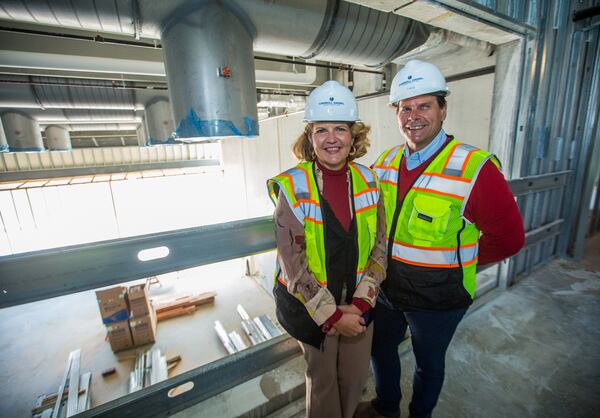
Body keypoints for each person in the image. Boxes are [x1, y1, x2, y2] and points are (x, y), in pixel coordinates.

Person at [356, 60, 525, 418]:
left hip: (438, 298)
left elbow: (508, 239)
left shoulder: (474, 168)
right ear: (396, 113)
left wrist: (458, 261)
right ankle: (386, 408)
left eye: (424, 105)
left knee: (428, 364)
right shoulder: (385, 162)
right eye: (406, 107)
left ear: (443, 108)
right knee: (380, 350)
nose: (414, 116)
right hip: (387, 290)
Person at [266, 80, 387, 418]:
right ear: (310, 136)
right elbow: (294, 266)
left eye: (340, 129)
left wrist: (361, 304)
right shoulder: (292, 186)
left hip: (360, 303)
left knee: (354, 379)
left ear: (353, 135)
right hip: (311, 306)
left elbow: (379, 247)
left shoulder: (369, 180)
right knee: (323, 383)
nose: (331, 138)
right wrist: (333, 315)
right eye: (321, 130)